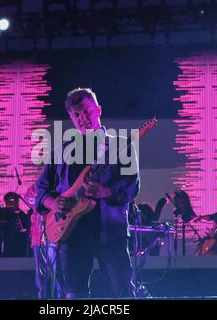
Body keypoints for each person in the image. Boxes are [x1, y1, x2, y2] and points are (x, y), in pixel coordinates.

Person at [35, 88, 140, 298]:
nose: (82, 118)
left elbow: (132, 186)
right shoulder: (62, 151)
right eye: (76, 114)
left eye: (86, 111)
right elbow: (41, 188)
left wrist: (107, 191)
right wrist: (53, 203)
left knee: (123, 292)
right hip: (71, 233)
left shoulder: (120, 145)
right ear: (71, 118)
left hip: (109, 231)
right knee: (73, 293)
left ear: (98, 110)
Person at [24, 185, 62, 299]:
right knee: (41, 279)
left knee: (58, 275)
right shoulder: (36, 188)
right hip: (38, 237)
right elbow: (29, 198)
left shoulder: (60, 186)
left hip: (56, 235)